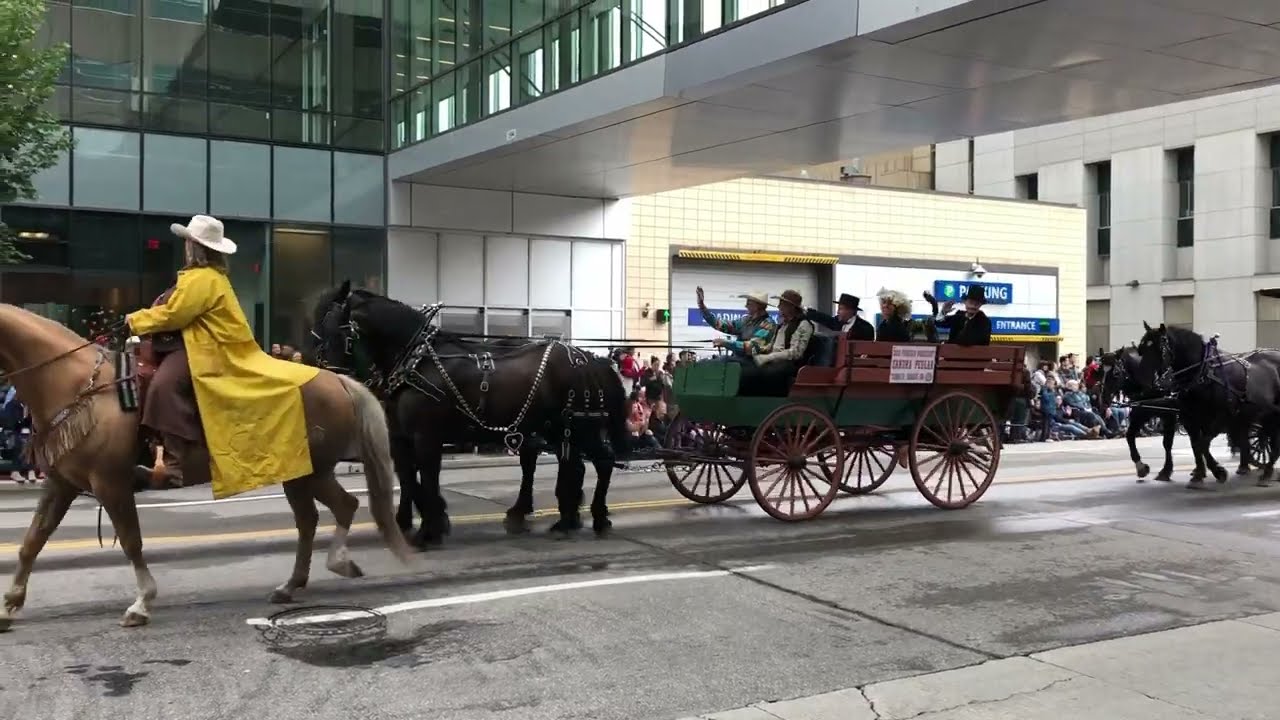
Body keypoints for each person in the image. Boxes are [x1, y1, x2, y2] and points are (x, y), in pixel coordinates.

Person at [125, 214, 321, 496]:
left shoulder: (203, 278)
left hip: (211, 349)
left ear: (195, 247)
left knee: (164, 385)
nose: (185, 247)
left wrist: (135, 320)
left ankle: (173, 465)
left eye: (188, 242)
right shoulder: (203, 277)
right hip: (198, 344)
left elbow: (175, 314)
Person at [739, 289, 816, 396]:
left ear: (791, 307)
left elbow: (795, 353)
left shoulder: (804, 324)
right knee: (743, 369)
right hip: (775, 362)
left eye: (782, 304)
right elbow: (772, 345)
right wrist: (759, 353)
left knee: (753, 375)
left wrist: (770, 357)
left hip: (790, 364)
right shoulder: (782, 324)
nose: (779, 307)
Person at [696, 287, 777, 357]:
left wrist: (726, 343)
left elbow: (753, 347)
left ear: (758, 306)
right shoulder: (746, 320)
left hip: (755, 363)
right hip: (739, 360)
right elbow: (720, 325)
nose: (746, 306)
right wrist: (702, 307)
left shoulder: (768, 324)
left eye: (749, 303)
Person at [804, 293, 874, 341]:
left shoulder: (866, 328)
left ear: (850, 311)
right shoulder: (837, 321)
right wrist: (808, 312)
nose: (838, 312)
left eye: (841, 309)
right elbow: (824, 318)